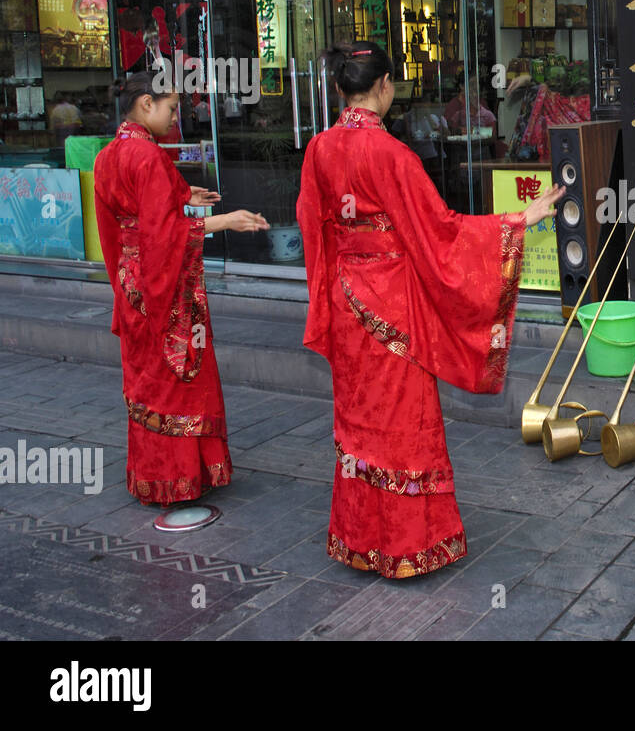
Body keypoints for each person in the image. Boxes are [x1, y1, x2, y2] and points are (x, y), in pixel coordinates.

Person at [296, 42, 561, 579]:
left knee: (361, 420)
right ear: (384, 86)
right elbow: (440, 232)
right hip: (393, 309)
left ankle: (361, 540)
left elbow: (311, 228)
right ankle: (408, 545)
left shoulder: (319, 149)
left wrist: (329, 292)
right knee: (404, 422)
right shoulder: (393, 155)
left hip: (348, 303)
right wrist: (516, 222)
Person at [95, 73, 269, 505]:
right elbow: (164, 234)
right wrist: (226, 221)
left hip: (132, 279)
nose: (175, 118)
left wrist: (181, 192)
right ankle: (181, 476)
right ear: (145, 104)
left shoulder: (109, 155)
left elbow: (127, 219)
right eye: (171, 108)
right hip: (161, 283)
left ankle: (151, 475)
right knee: (177, 376)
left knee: (145, 375)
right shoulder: (148, 156)